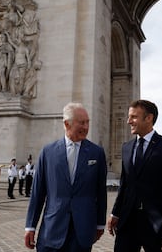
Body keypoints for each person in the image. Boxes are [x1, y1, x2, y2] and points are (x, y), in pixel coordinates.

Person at [24, 102, 107, 252]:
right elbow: (38, 193)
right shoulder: (47, 152)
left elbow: (101, 192)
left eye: (88, 122)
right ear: (67, 124)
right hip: (52, 229)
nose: (86, 127)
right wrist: (30, 226)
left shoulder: (97, 153)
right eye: (82, 123)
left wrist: (100, 224)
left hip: (82, 231)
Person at [107, 99, 162, 252]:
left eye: (134, 117)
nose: (128, 121)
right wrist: (115, 213)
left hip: (157, 224)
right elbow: (124, 185)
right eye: (129, 117)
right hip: (127, 223)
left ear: (149, 118)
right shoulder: (126, 147)